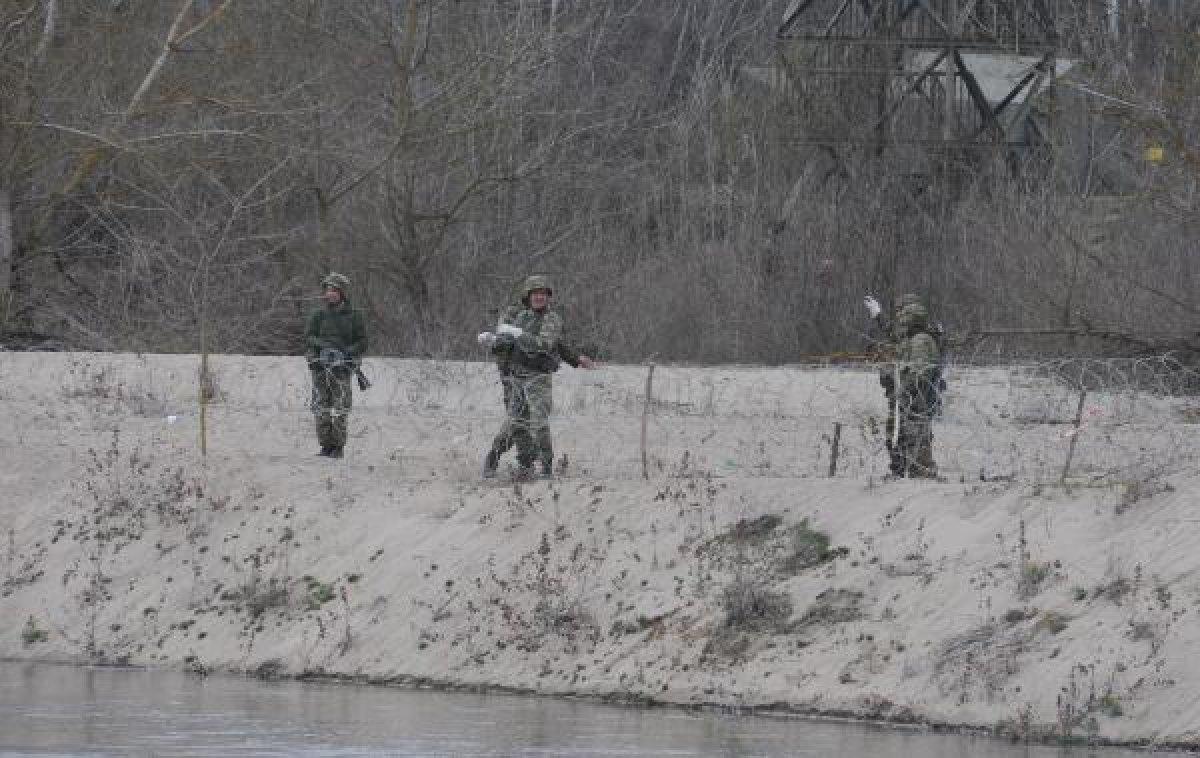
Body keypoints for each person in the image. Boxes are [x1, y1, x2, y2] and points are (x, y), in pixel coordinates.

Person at [477, 275, 594, 479]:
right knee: (516, 424)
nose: (539, 297)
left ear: (548, 297)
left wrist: (575, 359)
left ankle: (545, 465)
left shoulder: (551, 319)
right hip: (514, 377)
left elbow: (547, 344)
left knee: (538, 422)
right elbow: (508, 343)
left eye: (543, 294)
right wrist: (492, 340)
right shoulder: (520, 316)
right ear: (528, 296)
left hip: (538, 377)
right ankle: (514, 460)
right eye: (535, 293)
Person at [867, 296, 939, 478]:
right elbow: (894, 334)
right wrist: (878, 316)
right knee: (900, 439)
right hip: (907, 401)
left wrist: (900, 387)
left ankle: (919, 473)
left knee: (915, 439)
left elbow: (919, 374)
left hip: (916, 402)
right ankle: (901, 471)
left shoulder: (920, 340)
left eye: (901, 313)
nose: (899, 317)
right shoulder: (913, 338)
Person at [304, 273, 367, 459]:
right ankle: (325, 446)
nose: (329, 294)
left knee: (341, 407)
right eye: (327, 290)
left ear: (342, 293)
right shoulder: (318, 315)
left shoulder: (354, 316)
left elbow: (362, 341)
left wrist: (347, 352)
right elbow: (309, 336)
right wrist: (324, 348)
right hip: (320, 366)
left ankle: (338, 447)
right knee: (321, 407)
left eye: (334, 290)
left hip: (343, 367)